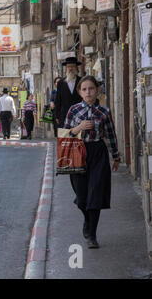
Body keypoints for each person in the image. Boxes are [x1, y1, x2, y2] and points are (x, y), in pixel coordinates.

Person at [63, 75, 121, 249]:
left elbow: (110, 134)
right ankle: (87, 221)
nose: (88, 92)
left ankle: (92, 236)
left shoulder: (104, 111)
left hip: (98, 153)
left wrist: (116, 156)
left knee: (95, 194)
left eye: (91, 89)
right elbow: (63, 134)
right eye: (84, 89)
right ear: (80, 92)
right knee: (82, 198)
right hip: (77, 151)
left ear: (97, 90)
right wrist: (78, 128)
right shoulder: (73, 110)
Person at [55, 57, 82, 128]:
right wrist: (57, 115)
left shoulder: (81, 81)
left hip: (80, 114)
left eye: (72, 66)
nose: (70, 69)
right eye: (68, 67)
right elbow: (58, 100)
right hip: (64, 115)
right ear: (66, 68)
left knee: (79, 137)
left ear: (76, 68)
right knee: (66, 138)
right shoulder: (61, 82)